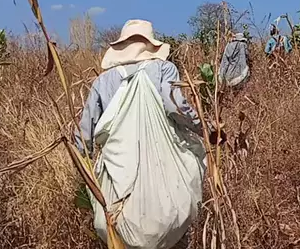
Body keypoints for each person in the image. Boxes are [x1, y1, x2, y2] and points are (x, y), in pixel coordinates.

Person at [75, 20, 224, 248]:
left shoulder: (103, 81)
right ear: (151, 45)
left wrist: (84, 170)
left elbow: (84, 134)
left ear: (121, 46)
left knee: (117, 227)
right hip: (161, 162)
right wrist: (205, 128)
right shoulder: (163, 69)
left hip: (117, 174)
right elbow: (175, 107)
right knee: (170, 217)